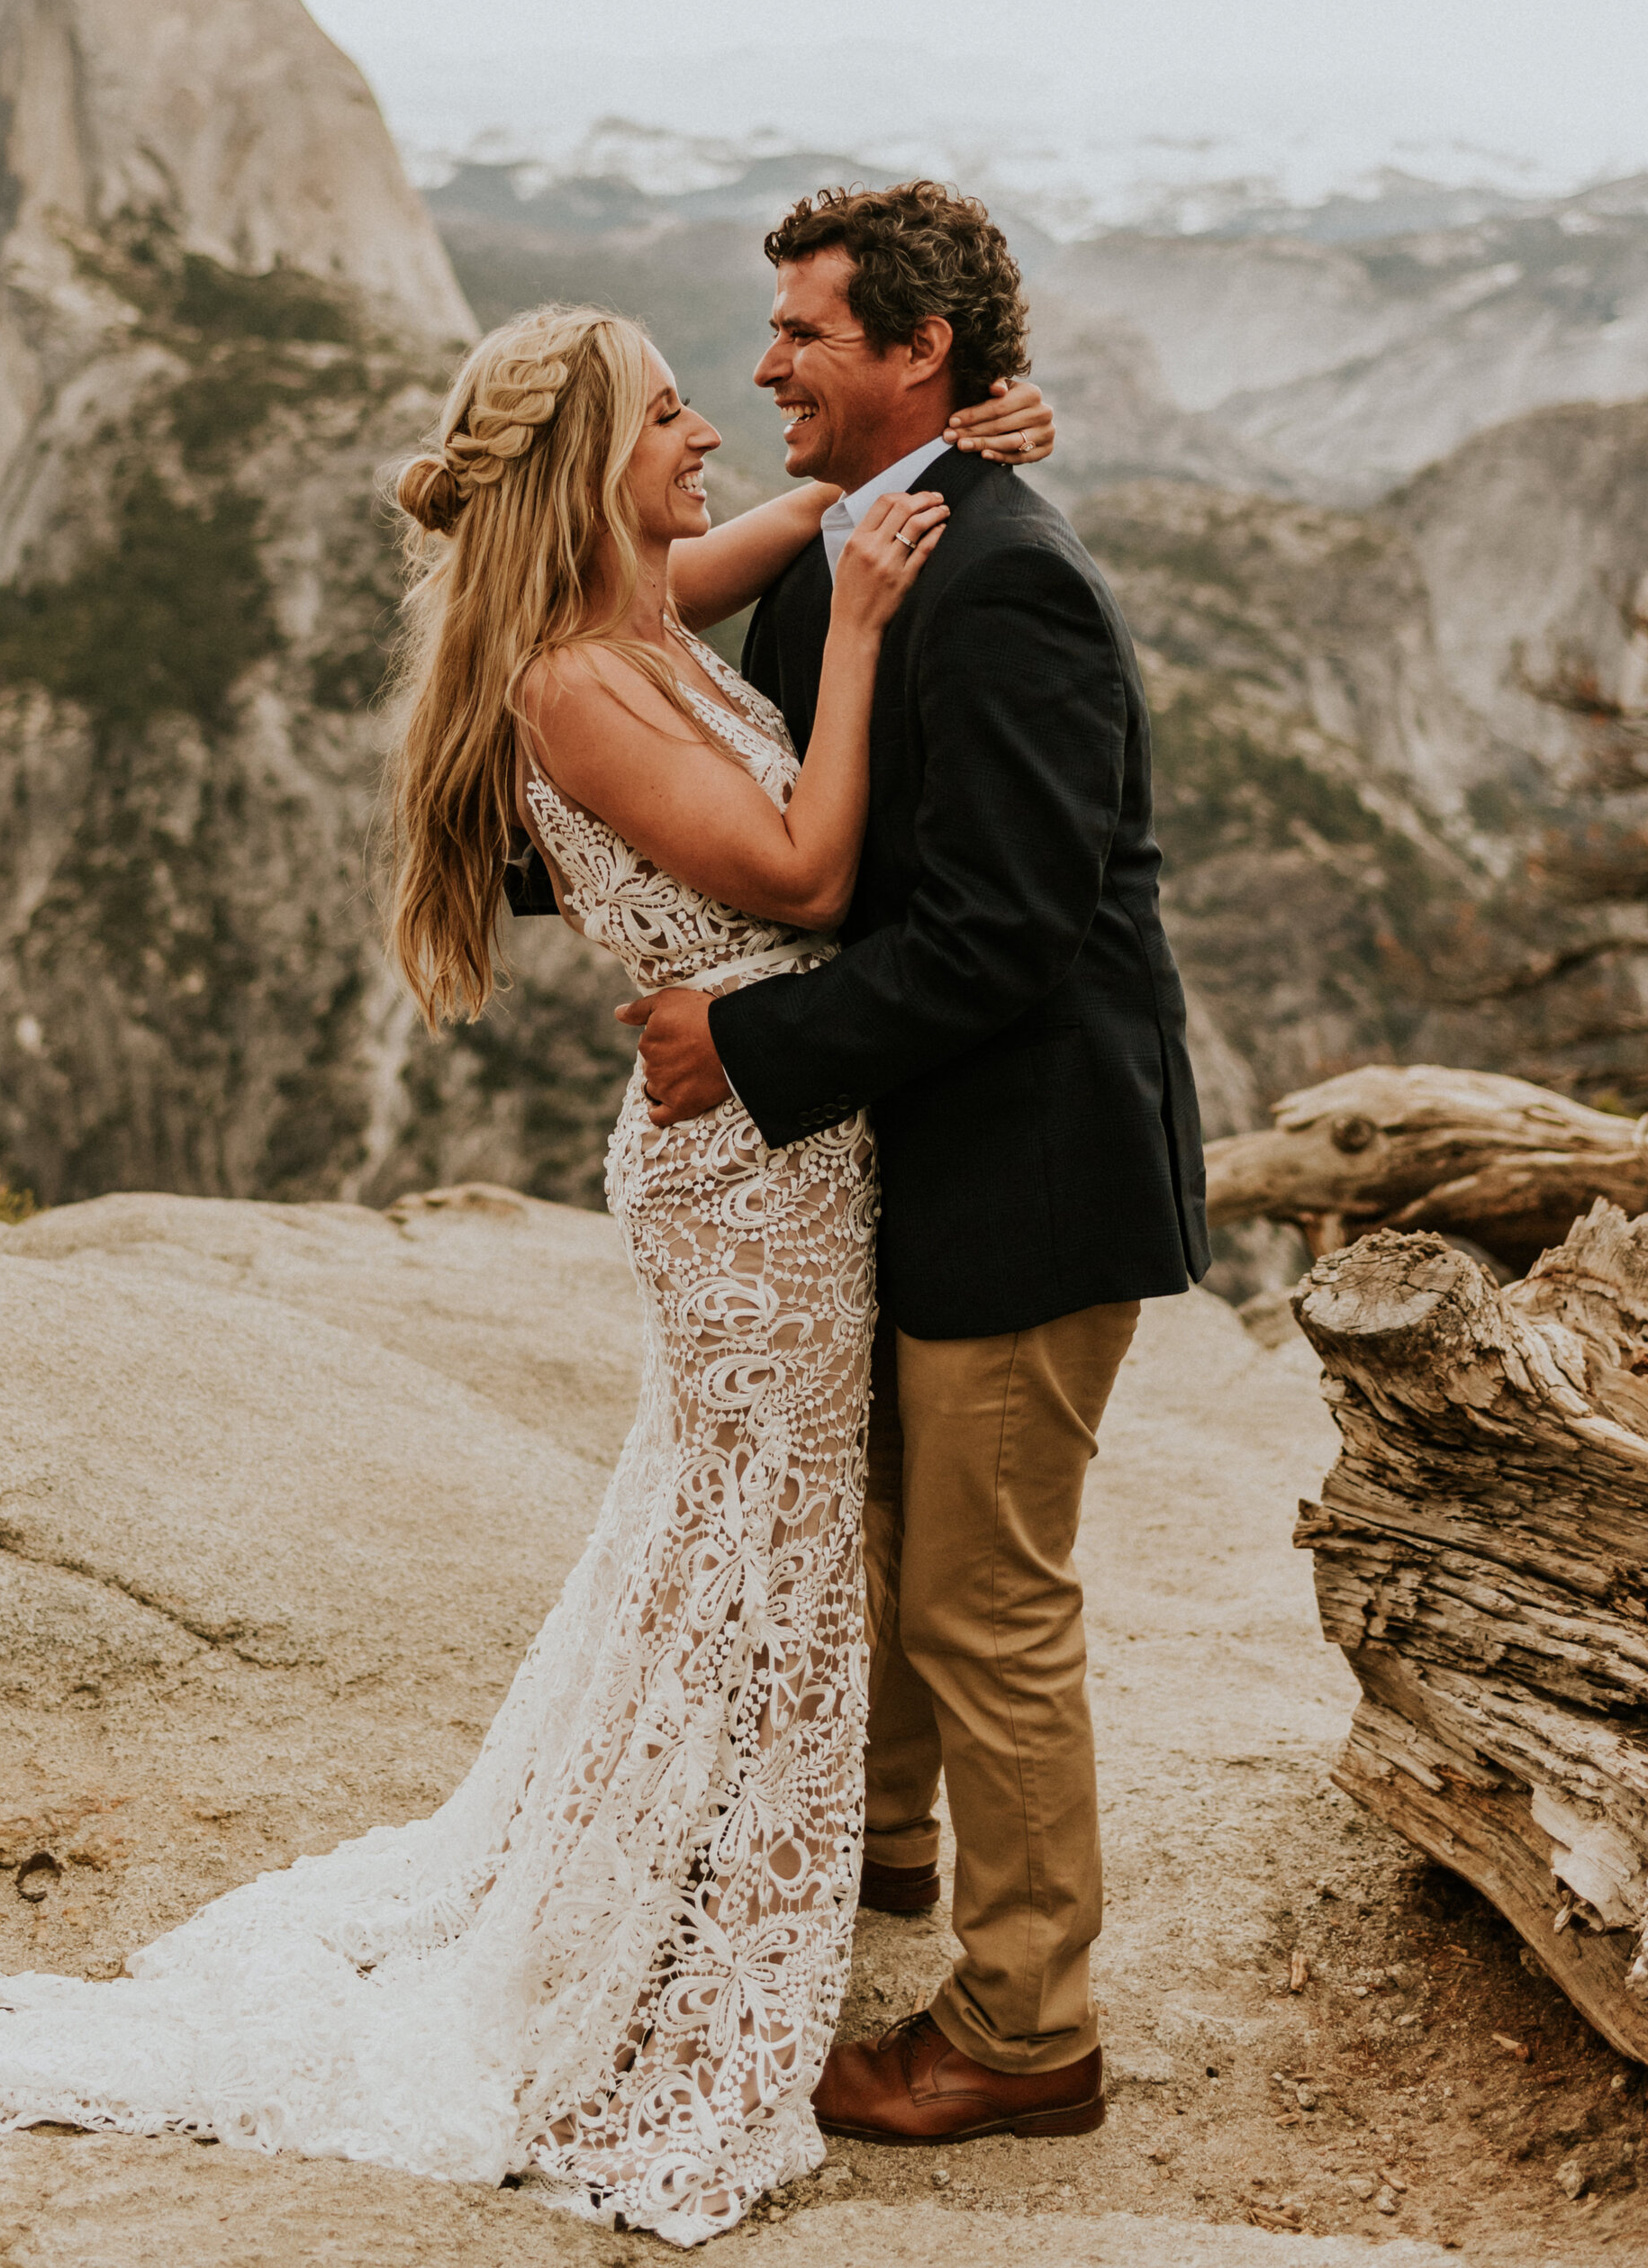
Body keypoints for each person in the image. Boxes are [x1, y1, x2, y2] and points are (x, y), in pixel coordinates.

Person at [0, 300, 1056, 2246]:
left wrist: (944, 439)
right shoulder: (575, 680)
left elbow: (813, 510)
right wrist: (879, 633)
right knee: (760, 1540)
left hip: (781, 1152)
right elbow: (813, 875)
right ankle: (667, 1932)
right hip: (745, 1177)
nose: (703, 437)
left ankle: (706, 1878)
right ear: (587, 468)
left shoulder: (634, 607)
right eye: (669, 416)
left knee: (738, 1537)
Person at [626, 181, 1208, 2152]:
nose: (764, 362)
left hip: (1028, 1176)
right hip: (911, 1159)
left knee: (984, 1603)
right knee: (882, 1543)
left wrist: (747, 1042)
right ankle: (874, 1852)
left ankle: (1024, 2027)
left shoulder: (1006, 575)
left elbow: (1011, 931)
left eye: (801, 332)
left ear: (914, 355)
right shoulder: (868, 544)